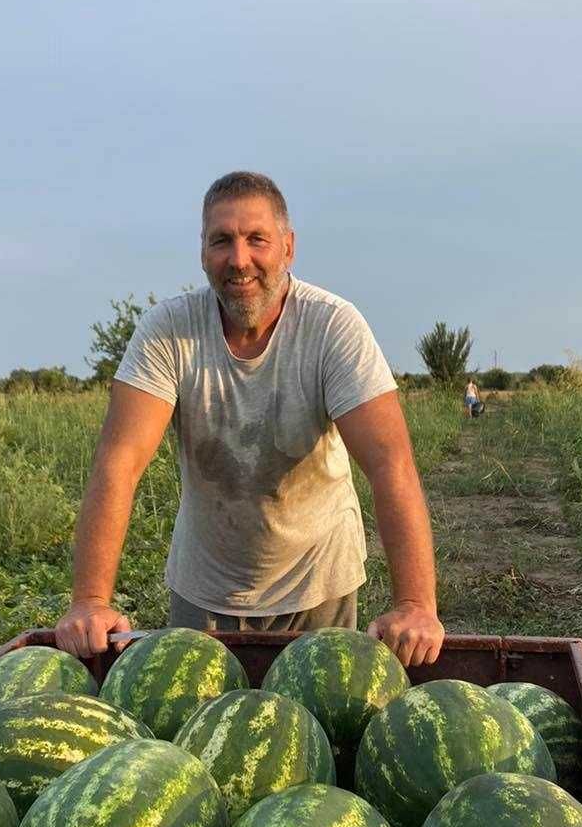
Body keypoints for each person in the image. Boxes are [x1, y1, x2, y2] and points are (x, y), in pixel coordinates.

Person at [53, 171, 445, 669]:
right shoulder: (168, 331)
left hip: (317, 583)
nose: (239, 260)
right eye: (221, 241)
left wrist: (414, 605)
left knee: (316, 730)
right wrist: (89, 599)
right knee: (200, 732)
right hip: (205, 589)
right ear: (202, 252)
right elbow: (120, 461)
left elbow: (390, 463)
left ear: (288, 246)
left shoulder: (332, 327)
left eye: (256, 239)